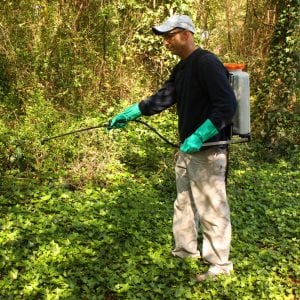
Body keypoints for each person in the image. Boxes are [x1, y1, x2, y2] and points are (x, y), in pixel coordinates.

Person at [108, 14, 237, 282]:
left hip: (209, 150)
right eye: (164, 37)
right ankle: (185, 251)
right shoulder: (182, 68)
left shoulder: (207, 63)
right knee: (184, 203)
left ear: (187, 34)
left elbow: (227, 106)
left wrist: (201, 135)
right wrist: (133, 112)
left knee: (212, 207)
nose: (166, 41)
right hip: (187, 150)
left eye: (170, 35)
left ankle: (220, 266)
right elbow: (164, 97)